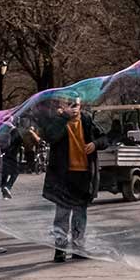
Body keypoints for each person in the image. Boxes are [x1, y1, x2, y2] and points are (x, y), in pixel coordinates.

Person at [40, 96, 108, 262]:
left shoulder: (86, 120)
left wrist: (95, 144)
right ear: (63, 106)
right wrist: (63, 117)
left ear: (81, 105)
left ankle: (78, 248)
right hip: (63, 175)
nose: (73, 108)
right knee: (62, 214)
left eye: (75, 104)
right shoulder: (58, 121)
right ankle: (60, 248)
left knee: (80, 213)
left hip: (84, 174)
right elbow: (50, 137)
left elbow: (105, 138)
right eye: (69, 104)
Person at [0, 123, 23, 199]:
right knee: (15, 172)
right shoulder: (15, 132)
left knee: (5, 173)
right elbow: (19, 141)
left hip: (4, 155)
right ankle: (7, 186)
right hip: (12, 156)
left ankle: (4, 190)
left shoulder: (8, 133)